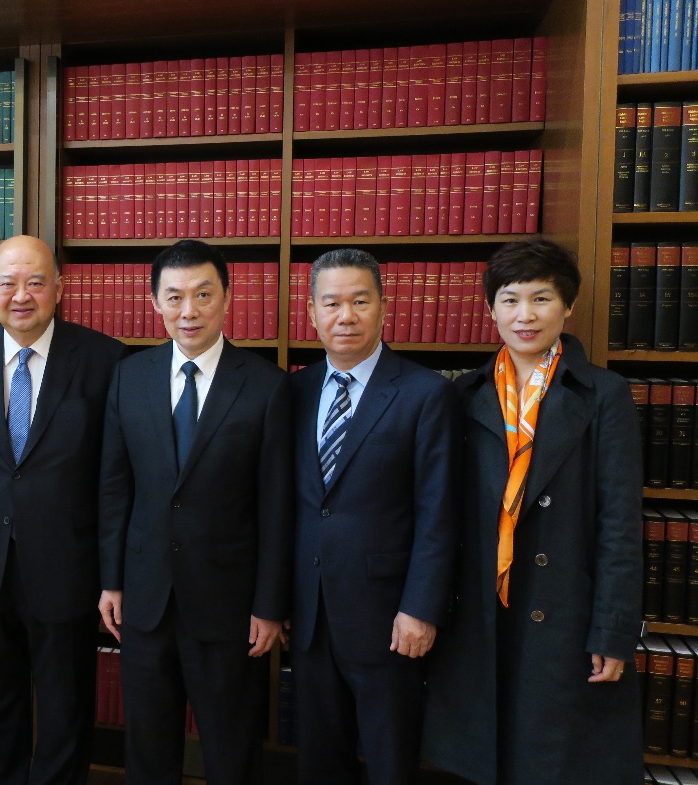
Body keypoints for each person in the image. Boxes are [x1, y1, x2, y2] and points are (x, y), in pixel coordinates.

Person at [422, 238, 642, 784]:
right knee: (480, 759)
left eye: (541, 299)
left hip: (562, 615)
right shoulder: (463, 395)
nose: (525, 315)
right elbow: (437, 514)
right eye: (510, 299)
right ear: (491, 309)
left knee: (550, 763)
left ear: (567, 307)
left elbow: (620, 522)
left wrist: (611, 631)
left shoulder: (602, 395)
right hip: (478, 610)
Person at [97, 238, 291, 784]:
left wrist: (270, 603)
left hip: (229, 605)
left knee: (232, 751)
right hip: (145, 596)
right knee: (148, 748)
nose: (190, 310)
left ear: (228, 298)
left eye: (204, 294)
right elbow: (114, 488)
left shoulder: (267, 386)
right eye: (175, 296)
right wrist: (111, 579)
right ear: (155, 301)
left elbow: (277, 506)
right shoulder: (128, 377)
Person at [0, 235, 125, 785]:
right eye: (8, 283)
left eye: (36, 282)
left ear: (59, 289)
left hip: (67, 562)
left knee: (66, 706)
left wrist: (110, 569)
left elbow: (114, 475)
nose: (21, 296)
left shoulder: (103, 358)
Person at [288, 247, 459, 785]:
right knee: (320, 757)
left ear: (384, 306)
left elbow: (440, 511)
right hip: (310, 612)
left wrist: (420, 607)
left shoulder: (426, 392)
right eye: (332, 303)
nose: (346, 316)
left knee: (390, 762)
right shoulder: (293, 389)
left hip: (390, 617)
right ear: (311, 312)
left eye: (360, 300)